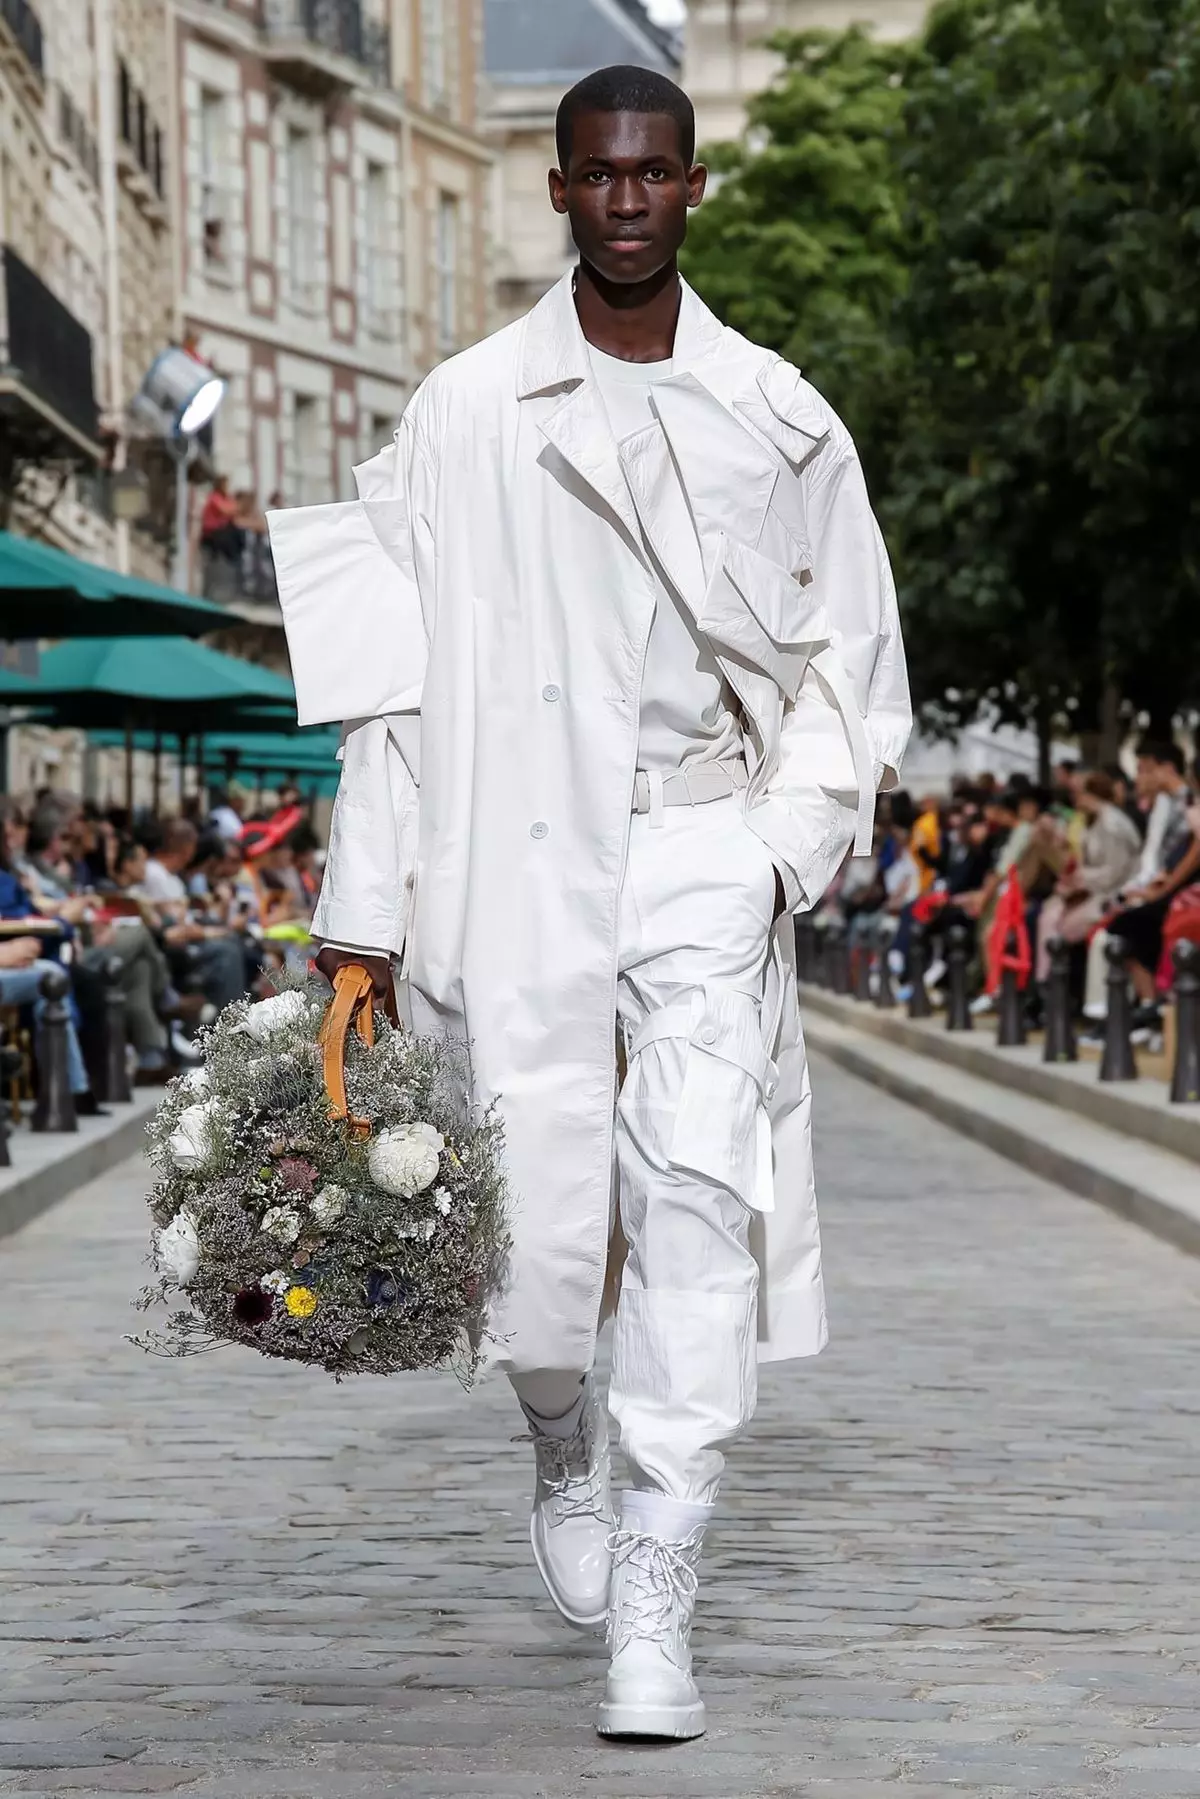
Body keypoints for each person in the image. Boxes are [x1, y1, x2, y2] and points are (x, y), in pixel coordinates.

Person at [269, 65, 910, 1741]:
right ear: (556, 191)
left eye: (655, 176)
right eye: (597, 177)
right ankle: (558, 1424)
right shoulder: (462, 409)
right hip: (511, 855)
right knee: (530, 1222)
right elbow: (387, 700)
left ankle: (659, 1590)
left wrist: (782, 850)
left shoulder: (781, 414)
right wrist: (362, 924)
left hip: (704, 846)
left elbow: (856, 667)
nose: (627, 201)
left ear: (694, 187)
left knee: (699, 1197)